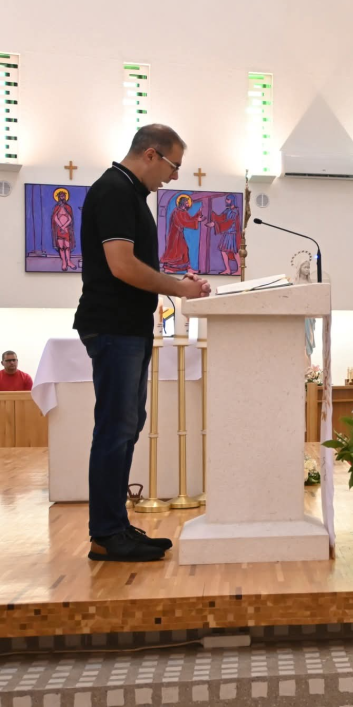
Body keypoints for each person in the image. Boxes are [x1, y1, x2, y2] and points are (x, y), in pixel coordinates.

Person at [74, 124, 211, 562]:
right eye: (173, 166)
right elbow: (120, 266)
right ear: (151, 155)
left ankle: (115, 525)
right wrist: (178, 288)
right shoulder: (115, 191)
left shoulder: (129, 195)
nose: (173, 178)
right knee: (115, 430)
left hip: (127, 326)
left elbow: (135, 264)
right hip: (113, 326)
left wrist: (173, 279)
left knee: (126, 428)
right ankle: (106, 533)